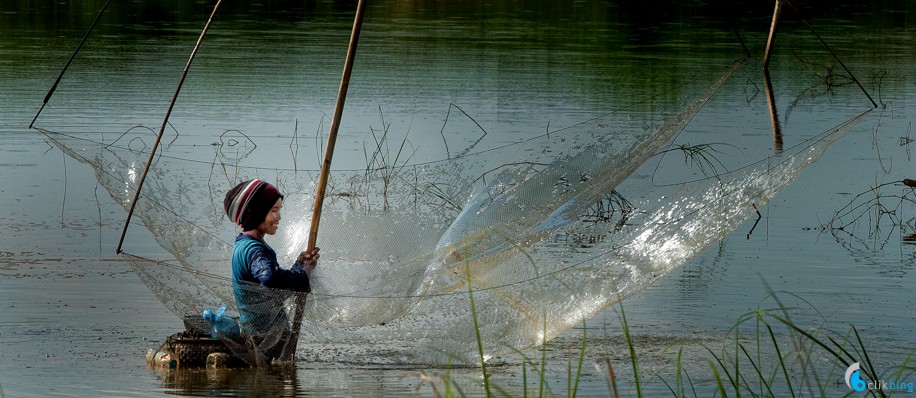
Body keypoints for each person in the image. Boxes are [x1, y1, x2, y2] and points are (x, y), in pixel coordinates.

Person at [223, 179, 318, 360]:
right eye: (273, 211)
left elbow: (271, 291)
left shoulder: (246, 245)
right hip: (264, 337)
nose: (278, 217)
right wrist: (301, 276)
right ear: (255, 213)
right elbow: (269, 277)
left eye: (279, 210)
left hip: (262, 334)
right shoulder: (253, 249)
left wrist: (300, 265)